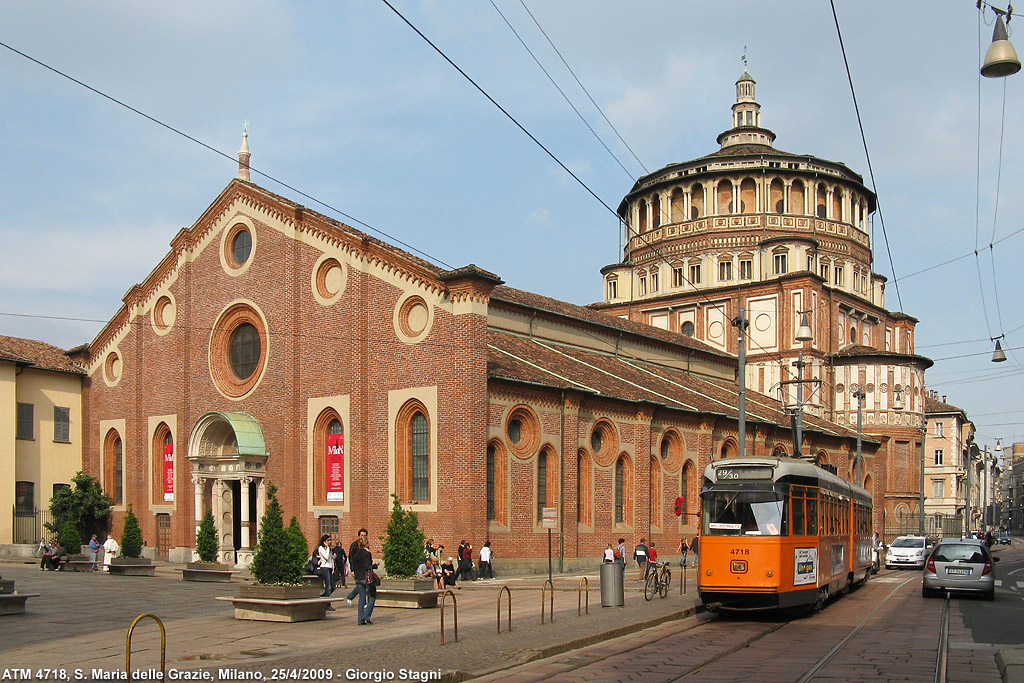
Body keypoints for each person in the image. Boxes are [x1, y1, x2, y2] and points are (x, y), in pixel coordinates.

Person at [350, 536, 378, 625]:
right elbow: (367, 566)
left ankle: (360, 619)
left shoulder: (356, 554)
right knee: (373, 595)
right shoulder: (367, 553)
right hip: (365, 578)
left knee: (362, 598)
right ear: (366, 544)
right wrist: (375, 565)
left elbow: (354, 564)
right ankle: (366, 616)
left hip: (358, 578)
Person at [345, 528, 369, 607]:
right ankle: (362, 602)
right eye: (362, 535)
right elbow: (351, 557)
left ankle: (351, 597)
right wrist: (352, 570)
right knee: (360, 585)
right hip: (357, 569)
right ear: (359, 536)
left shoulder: (366, 545)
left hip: (364, 570)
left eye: (364, 535)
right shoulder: (355, 545)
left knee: (360, 586)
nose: (363, 537)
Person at [313, 534, 335, 608]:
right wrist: (328, 548)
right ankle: (327, 604)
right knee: (328, 586)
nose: (330, 542)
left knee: (333, 587)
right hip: (324, 568)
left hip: (330, 568)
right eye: (328, 540)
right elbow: (326, 557)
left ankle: (325, 596)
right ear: (324, 541)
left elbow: (330, 559)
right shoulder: (321, 548)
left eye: (330, 540)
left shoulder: (330, 549)